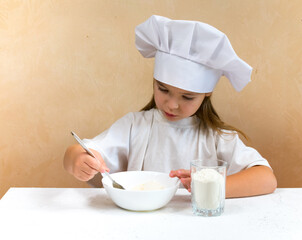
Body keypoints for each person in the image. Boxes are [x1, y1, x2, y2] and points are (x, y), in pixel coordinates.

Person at [63, 15, 277, 198]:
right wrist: (79, 160)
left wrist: (209, 185)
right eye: (163, 90)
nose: (172, 105)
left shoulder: (216, 137)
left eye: (187, 97)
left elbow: (267, 179)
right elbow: (77, 151)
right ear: (154, 82)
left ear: (207, 93)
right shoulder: (135, 126)